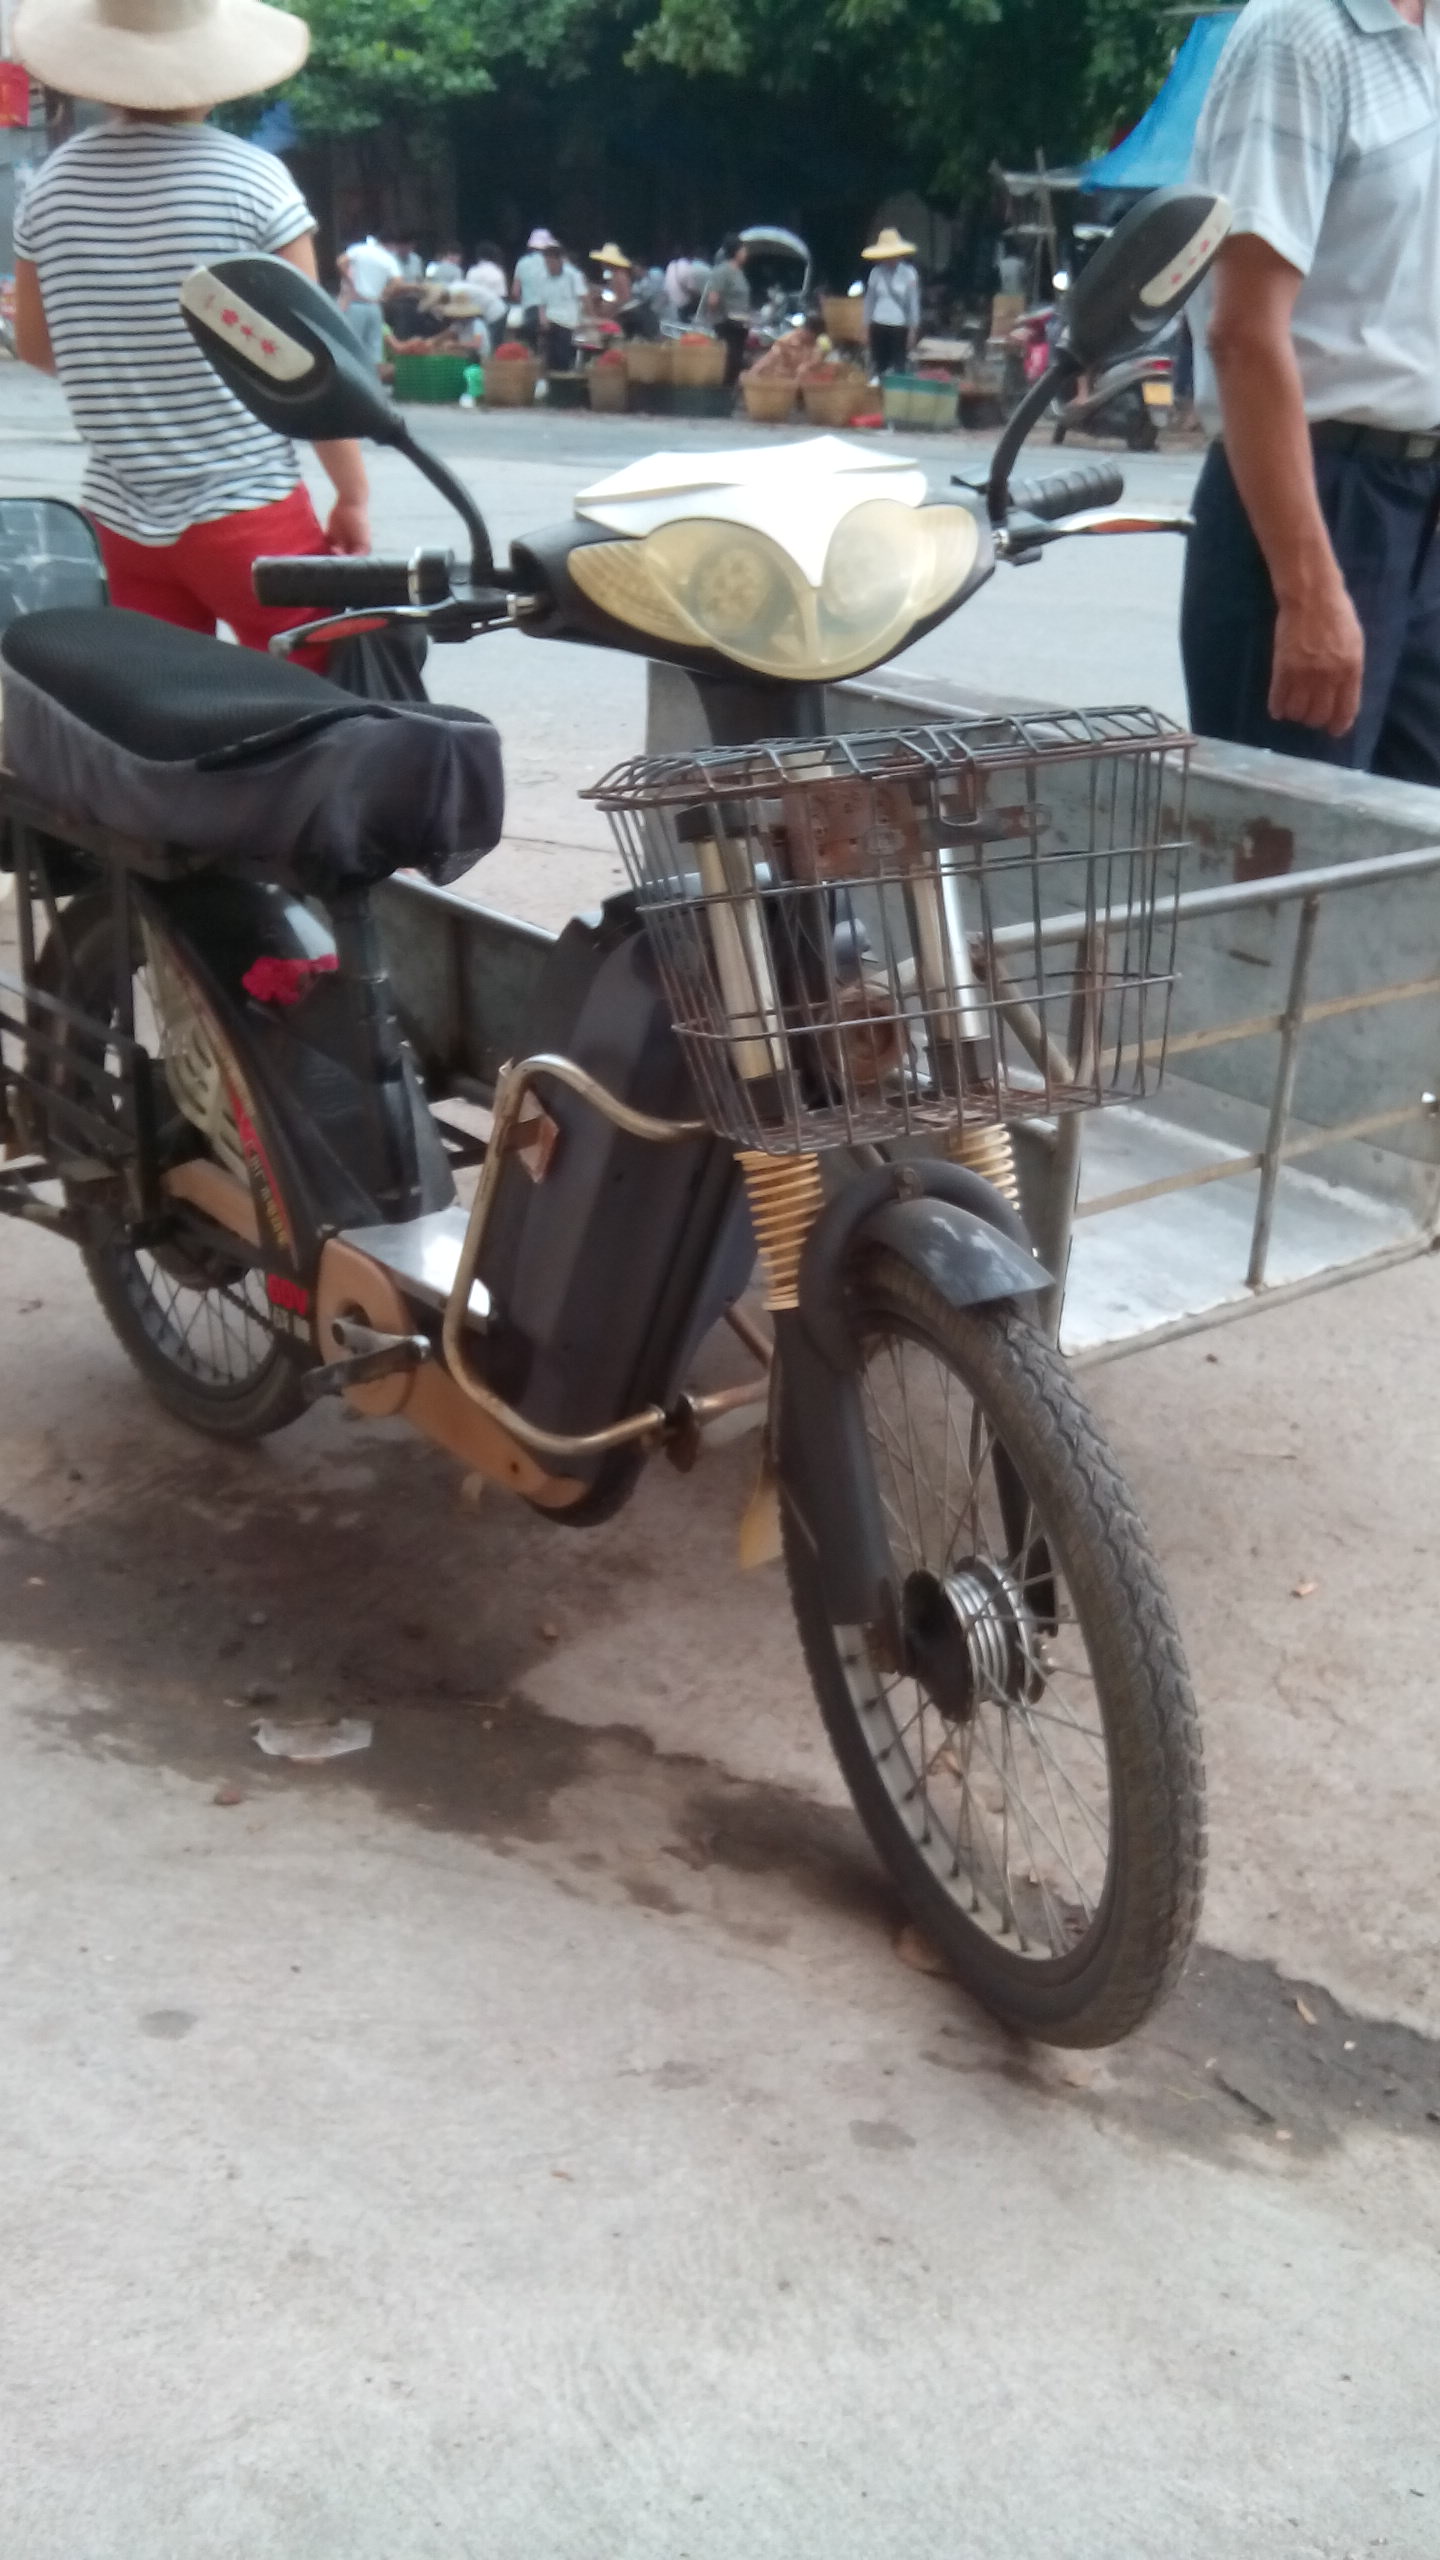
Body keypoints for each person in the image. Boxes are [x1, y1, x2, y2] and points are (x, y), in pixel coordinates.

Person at [10, 0, 370, 668]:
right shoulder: (254, 181)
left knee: (166, 710)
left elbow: (36, 347)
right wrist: (351, 494)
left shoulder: (48, 188)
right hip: (249, 513)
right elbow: (317, 369)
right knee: (318, 704)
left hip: (120, 519)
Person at [1181, 0, 1440, 781]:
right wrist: (1309, 591)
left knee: (1417, 834)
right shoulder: (1298, 35)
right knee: (1295, 833)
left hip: (1419, 494)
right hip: (1316, 496)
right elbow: (1244, 333)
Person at [862, 225, 921, 379]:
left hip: (899, 326)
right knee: (879, 366)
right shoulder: (876, 273)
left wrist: (913, 330)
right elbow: (870, 301)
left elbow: (913, 303)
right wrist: (865, 327)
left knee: (898, 367)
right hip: (878, 324)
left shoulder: (909, 274)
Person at [338, 232, 401, 372]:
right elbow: (398, 281)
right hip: (374, 306)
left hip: (354, 304)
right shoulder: (389, 258)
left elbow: (341, 261)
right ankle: (373, 381)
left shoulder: (359, 249)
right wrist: (384, 295)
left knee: (350, 347)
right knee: (374, 349)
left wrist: (350, 281)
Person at [701, 232, 751, 385]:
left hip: (740, 325)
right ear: (736, 251)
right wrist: (718, 316)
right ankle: (724, 392)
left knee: (737, 362)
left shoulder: (739, 272)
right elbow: (713, 299)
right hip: (727, 324)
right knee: (729, 361)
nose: (746, 253)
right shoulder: (722, 271)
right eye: (743, 250)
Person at [533, 241, 586, 372]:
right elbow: (541, 303)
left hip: (569, 321)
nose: (549, 266)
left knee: (563, 356)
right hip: (551, 320)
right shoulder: (542, 277)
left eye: (551, 262)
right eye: (547, 262)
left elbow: (583, 297)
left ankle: (564, 375)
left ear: (560, 261)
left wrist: (584, 319)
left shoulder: (574, 275)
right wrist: (543, 320)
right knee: (550, 357)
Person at [512, 225, 559, 349]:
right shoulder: (552, 263)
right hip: (551, 312)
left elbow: (515, 292)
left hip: (529, 311)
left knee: (530, 348)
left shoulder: (521, 262)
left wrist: (526, 300)